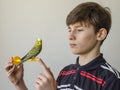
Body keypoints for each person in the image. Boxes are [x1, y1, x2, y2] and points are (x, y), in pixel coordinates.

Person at [5, 2, 120, 90]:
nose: (71, 36)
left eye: (79, 30)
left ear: (100, 34)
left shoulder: (111, 79)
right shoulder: (65, 72)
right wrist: (19, 84)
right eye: (70, 29)